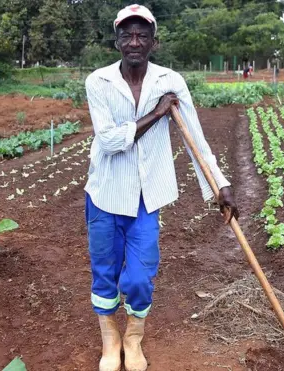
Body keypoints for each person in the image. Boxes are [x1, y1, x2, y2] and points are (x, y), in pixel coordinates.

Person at [84, 4, 239, 371]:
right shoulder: (99, 81)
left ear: (154, 41)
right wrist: (156, 113)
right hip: (105, 193)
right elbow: (109, 141)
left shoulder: (171, 81)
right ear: (117, 40)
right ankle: (110, 339)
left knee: (139, 276)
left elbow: (195, 139)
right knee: (104, 271)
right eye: (127, 34)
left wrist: (221, 186)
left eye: (142, 35)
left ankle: (133, 338)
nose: (134, 41)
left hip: (146, 197)